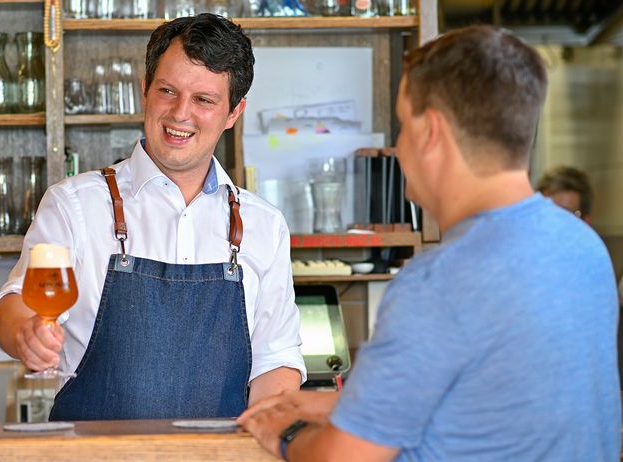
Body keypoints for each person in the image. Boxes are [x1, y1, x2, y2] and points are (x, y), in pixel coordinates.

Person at [236, 25, 621, 461]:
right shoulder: (583, 248)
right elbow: (499, 404)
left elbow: (342, 459)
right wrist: (338, 405)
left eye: (403, 125)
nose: (399, 147)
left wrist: (284, 433)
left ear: (431, 132)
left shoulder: (438, 282)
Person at [0, 13, 305, 421]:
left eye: (204, 100)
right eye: (167, 91)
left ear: (233, 113)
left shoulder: (264, 225)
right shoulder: (75, 204)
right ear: (145, 91)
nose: (180, 114)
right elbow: (15, 306)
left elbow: (275, 360)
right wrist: (25, 334)